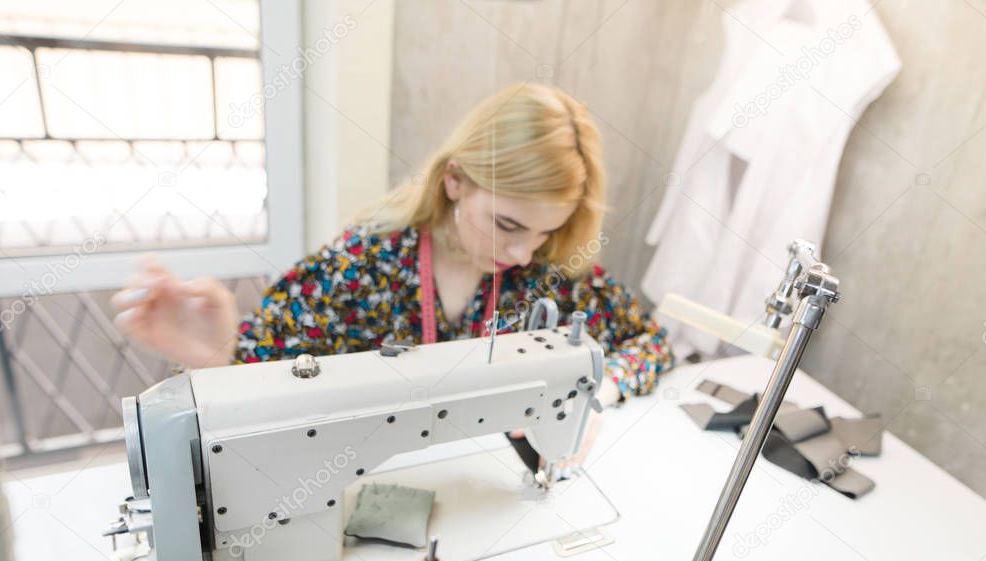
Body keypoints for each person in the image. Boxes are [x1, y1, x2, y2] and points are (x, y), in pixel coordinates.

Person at [112, 83, 673, 468]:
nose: (525, 255)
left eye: (545, 234)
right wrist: (217, 360)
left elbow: (650, 341)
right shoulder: (359, 270)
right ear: (455, 180)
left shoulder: (549, 275)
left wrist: (598, 389)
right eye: (506, 224)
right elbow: (255, 394)